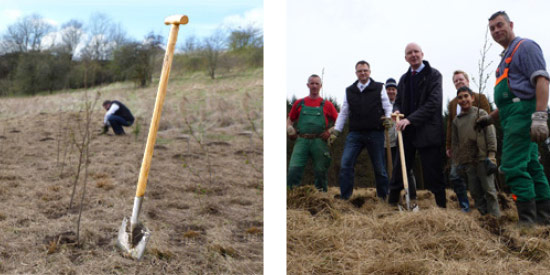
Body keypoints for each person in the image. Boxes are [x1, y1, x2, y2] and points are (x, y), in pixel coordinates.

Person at [476, 11, 550, 226]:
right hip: (511, 117)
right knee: (531, 167)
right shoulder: (504, 60)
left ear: (511, 24)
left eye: (500, 25)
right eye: (492, 28)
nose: (496, 31)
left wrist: (539, 116)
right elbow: (510, 99)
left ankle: (527, 221)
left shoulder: (525, 47)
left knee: (512, 167)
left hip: (523, 116)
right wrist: (489, 118)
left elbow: (542, 81)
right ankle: (544, 219)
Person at [388, 43, 447, 209]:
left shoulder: (434, 75)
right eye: (409, 53)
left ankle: (441, 207)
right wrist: (397, 110)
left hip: (428, 130)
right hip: (407, 132)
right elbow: (398, 101)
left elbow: (433, 103)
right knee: (400, 168)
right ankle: (391, 203)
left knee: (433, 170)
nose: (413, 55)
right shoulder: (404, 79)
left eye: (416, 52)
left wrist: (411, 119)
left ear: (422, 53)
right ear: (406, 58)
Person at [330, 61, 392, 200]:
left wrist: (388, 118)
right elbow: (344, 112)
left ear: (369, 71)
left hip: (375, 132)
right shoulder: (349, 90)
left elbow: (387, 106)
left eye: (365, 70)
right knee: (346, 163)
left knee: (380, 168)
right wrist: (336, 131)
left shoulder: (379, 87)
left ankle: (384, 197)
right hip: (355, 133)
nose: (363, 73)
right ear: (356, 73)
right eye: (360, 71)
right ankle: (345, 197)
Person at [446, 70, 491, 212]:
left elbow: (488, 120)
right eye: (455, 81)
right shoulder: (453, 103)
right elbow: (450, 126)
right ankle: (465, 206)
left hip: (478, 145)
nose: (458, 82)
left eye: (460, 79)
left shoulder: (480, 98)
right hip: (459, 147)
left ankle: (490, 210)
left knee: (482, 178)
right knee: (455, 175)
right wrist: (449, 146)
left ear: (467, 80)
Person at [452, 86, 500, 217]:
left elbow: (490, 135)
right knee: (475, 192)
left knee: (489, 191)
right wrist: (457, 161)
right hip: (468, 161)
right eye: (460, 97)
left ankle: (496, 220)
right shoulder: (457, 120)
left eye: (466, 96)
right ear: (457, 101)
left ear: (472, 98)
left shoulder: (481, 114)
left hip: (483, 158)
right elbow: (455, 143)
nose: (463, 100)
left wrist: (491, 155)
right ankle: (485, 218)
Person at [287, 74, 338, 192]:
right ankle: (290, 196)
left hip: (319, 141)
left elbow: (339, 121)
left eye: (317, 84)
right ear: (307, 85)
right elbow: (290, 119)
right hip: (301, 140)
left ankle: (321, 198)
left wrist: (330, 131)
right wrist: (289, 129)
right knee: (293, 170)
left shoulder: (327, 105)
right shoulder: (299, 103)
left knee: (321, 171)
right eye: (312, 83)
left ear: (321, 86)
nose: (314, 86)